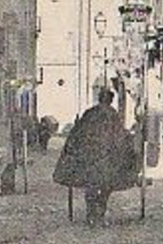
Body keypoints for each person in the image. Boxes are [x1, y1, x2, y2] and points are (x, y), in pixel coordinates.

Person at [53, 82, 136, 227]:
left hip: (91, 158)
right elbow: (120, 136)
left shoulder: (91, 113)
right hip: (105, 159)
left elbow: (78, 133)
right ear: (110, 100)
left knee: (91, 185)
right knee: (105, 186)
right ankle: (99, 212)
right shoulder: (112, 115)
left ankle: (91, 213)